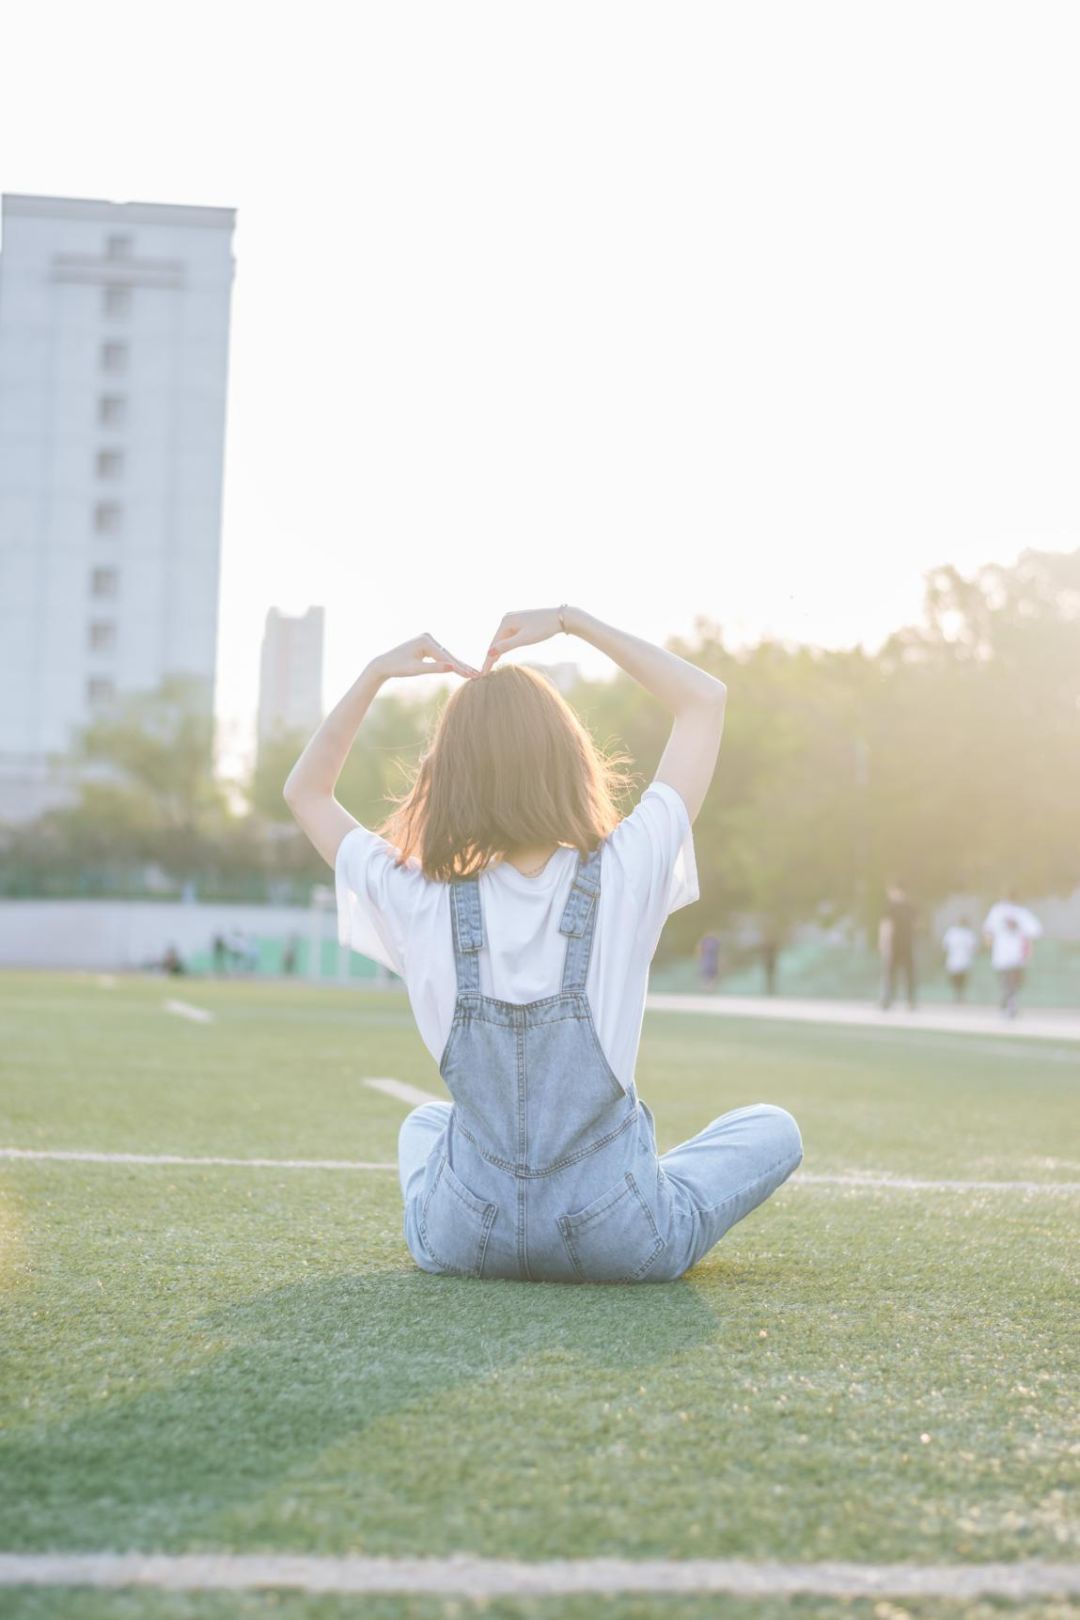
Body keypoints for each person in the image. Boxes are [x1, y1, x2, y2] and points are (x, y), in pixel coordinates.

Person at [284, 606, 802, 1284]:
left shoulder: (418, 894)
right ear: (569, 760)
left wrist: (375, 675)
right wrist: (571, 622)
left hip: (466, 1237)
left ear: (449, 776)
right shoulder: (626, 867)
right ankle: (632, 1184)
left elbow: (306, 792)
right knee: (773, 1127)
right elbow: (704, 699)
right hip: (617, 1236)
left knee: (424, 1123)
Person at [983, 891, 1042, 1018]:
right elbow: (1035, 931)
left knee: (1008, 980)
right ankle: (1010, 1002)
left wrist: (988, 943)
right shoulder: (1017, 912)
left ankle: (1009, 1002)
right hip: (1013, 953)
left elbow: (988, 930)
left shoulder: (1003, 911)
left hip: (1008, 952)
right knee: (1011, 980)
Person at [879, 882, 917, 1010]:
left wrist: (883, 943)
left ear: (896, 891)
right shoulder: (910, 907)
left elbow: (886, 927)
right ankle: (910, 1001)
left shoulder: (890, 908)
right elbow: (916, 925)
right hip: (907, 944)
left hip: (895, 945)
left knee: (891, 973)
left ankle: (888, 999)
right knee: (908, 973)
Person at [941, 916, 977, 1001]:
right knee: (955, 978)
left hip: (965, 960)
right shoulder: (952, 932)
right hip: (954, 959)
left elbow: (973, 947)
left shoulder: (968, 933)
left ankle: (961, 995)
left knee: (963, 979)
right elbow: (945, 945)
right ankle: (956, 994)